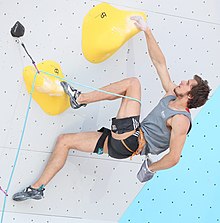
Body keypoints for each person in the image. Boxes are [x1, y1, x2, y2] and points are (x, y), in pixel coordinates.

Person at [12, 16, 211, 201]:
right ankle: (37, 189)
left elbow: (174, 158)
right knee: (65, 141)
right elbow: (160, 63)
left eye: (188, 83)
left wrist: (151, 168)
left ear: (190, 96)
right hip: (121, 144)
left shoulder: (181, 120)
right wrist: (147, 31)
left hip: (132, 142)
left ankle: (79, 98)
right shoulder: (171, 94)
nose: (183, 81)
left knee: (133, 83)